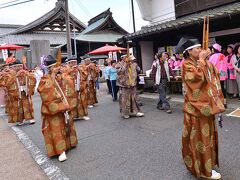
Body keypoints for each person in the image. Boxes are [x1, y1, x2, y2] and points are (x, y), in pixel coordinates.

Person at [177, 37, 225, 179]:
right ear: (189, 52)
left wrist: (206, 61)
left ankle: (207, 163)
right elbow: (197, 78)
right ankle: (204, 170)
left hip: (206, 107)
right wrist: (203, 61)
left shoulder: (200, 62)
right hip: (195, 108)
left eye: (200, 48)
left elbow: (213, 72)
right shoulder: (186, 65)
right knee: (199, 139)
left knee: (207, 136)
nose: (200, 50)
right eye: (197, 48)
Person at [38, 55, 78, 162]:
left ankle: (69, 144)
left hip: (64, 105)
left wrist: (63, 78)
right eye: (54, 67)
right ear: (49, 68)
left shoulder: (60, 76)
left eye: (57, 66)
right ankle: (60, 151)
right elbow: (44, 91)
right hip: (53, 109)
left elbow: (69, 82)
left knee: (66, 124)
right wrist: (52, 77)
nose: (57, 68)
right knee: (56, 129)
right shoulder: (45, 79)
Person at [3, 59, 36, 125]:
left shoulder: (25, 72)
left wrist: (27, 75)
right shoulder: (10, 74)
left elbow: (33, 78)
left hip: (25, 91)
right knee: (19, 106)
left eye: (20, 66)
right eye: (17, 66)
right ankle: (21, 120)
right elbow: (7, 83)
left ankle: (31, 118)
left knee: (28, 105)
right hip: (16, 92)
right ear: (13, 67)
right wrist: (16, 76)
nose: (19, 68)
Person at [116, 55, 144, 119]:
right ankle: (125, 113)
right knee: (125, 99)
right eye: (125, 57)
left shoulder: (133, 64)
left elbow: (138, 70)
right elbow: (119, 72)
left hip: (133, 84)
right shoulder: (119, 64)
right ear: (122, 58)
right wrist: (125, 65)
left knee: (134, 98)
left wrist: (135, 65)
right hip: (124, 85)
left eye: (128, 57)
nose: (127, 58)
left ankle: (136, 111)